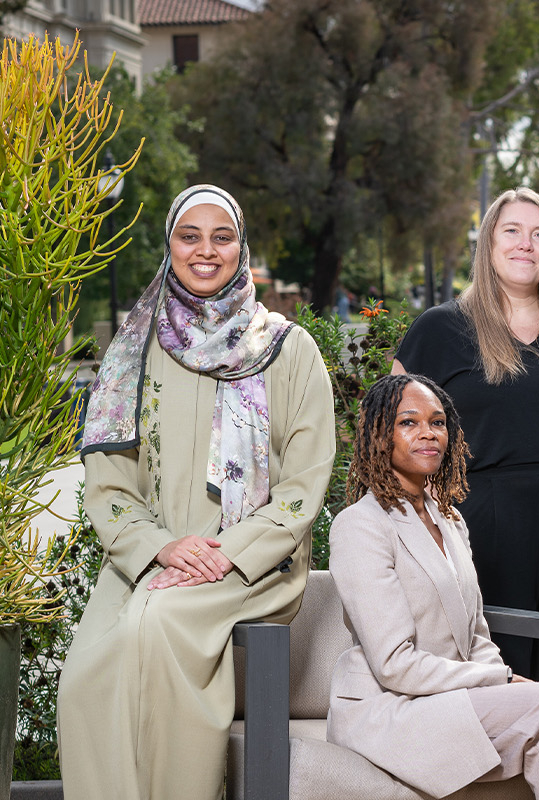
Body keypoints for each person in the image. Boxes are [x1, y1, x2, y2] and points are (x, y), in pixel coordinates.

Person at [58, 184, 337, 799]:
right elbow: (108, 478)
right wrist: (158, 547)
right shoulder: (134, 350)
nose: (205, 250)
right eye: (190, 236)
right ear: (170, 245)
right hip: (147, 557)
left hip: (251, 562)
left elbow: (304, 482)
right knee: (83, 680)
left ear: (242, 247)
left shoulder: (288, 350)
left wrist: (226, 553)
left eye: (222, 237)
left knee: (157, 623)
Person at [326, 373, 539, 798]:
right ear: (379, 435)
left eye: (437, 422)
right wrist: (502, 680)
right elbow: (394, 665)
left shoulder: (450, 520)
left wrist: (501, 679)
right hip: (390, 707)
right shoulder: (360, 525)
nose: (428, 433)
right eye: (408, 422)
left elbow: (477, 635)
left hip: (453, 697)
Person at [391, 187, 539, 681]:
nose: (526, 244)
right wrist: (421, 519)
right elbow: (391, 431)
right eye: (512, 231)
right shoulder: (440, 329)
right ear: (489, 244)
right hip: (477, 521)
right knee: (489, 671)